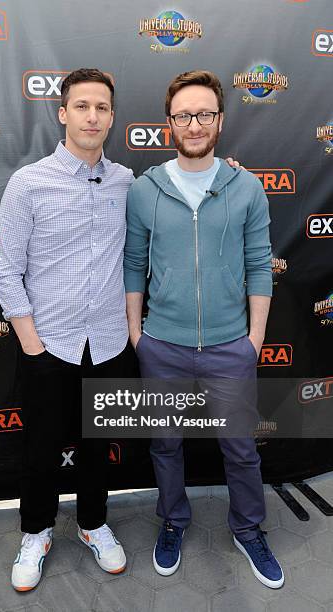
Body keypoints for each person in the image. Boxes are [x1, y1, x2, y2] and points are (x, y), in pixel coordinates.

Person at [124, 70, 284, 589]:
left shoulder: (246, 187)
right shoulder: (146, 189)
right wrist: (136, 333)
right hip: (162, 345)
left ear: (220, 120)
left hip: (229, 346)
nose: (194, 125)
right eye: (184, 115)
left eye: (205, 114)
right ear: (170, 122)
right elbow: (133, 264)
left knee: (239, 446)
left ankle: (248, 528)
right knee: (165, 444)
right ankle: (173, 520)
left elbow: (261, 264)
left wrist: (253, 339)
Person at [0, 68, 138, 591]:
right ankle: (36, 532)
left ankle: (93, 524)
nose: (93, 116)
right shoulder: (29, 182)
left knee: (100, 447)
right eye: (82, 106)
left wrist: (226, 171)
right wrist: (32, 343)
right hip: (47, 345)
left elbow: (179, 197)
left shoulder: (128, 183)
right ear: (63, 113)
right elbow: (6, 270)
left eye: (102, 107)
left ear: (113, 117)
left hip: (108, 343)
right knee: (39, 450)